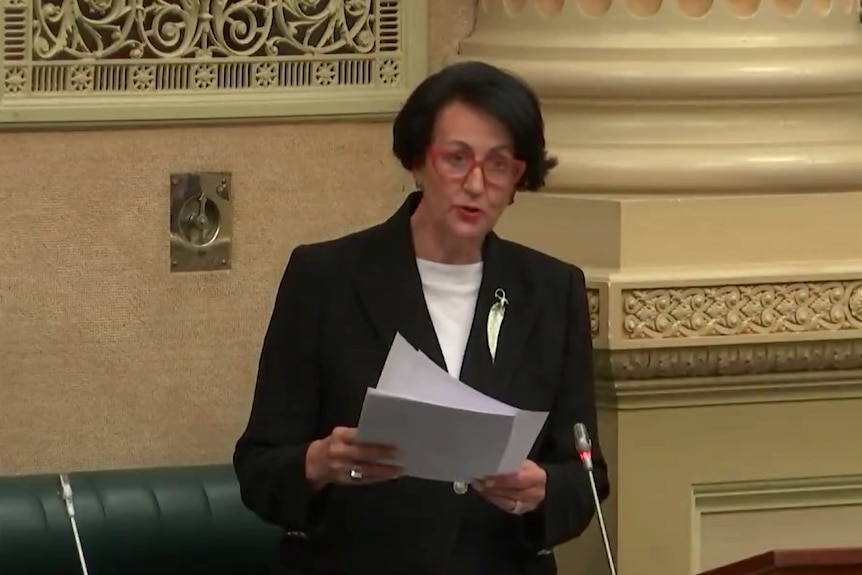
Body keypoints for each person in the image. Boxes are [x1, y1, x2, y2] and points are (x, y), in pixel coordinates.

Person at [233, 60, 610, 575]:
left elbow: (584, 474)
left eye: (499, 165)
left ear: (519, 178)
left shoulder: (551, 290)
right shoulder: (326, 278)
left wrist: (542, 490)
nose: (476, 184)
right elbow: (259, 470)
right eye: (457, 159)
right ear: (418, 161)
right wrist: (318, 463)